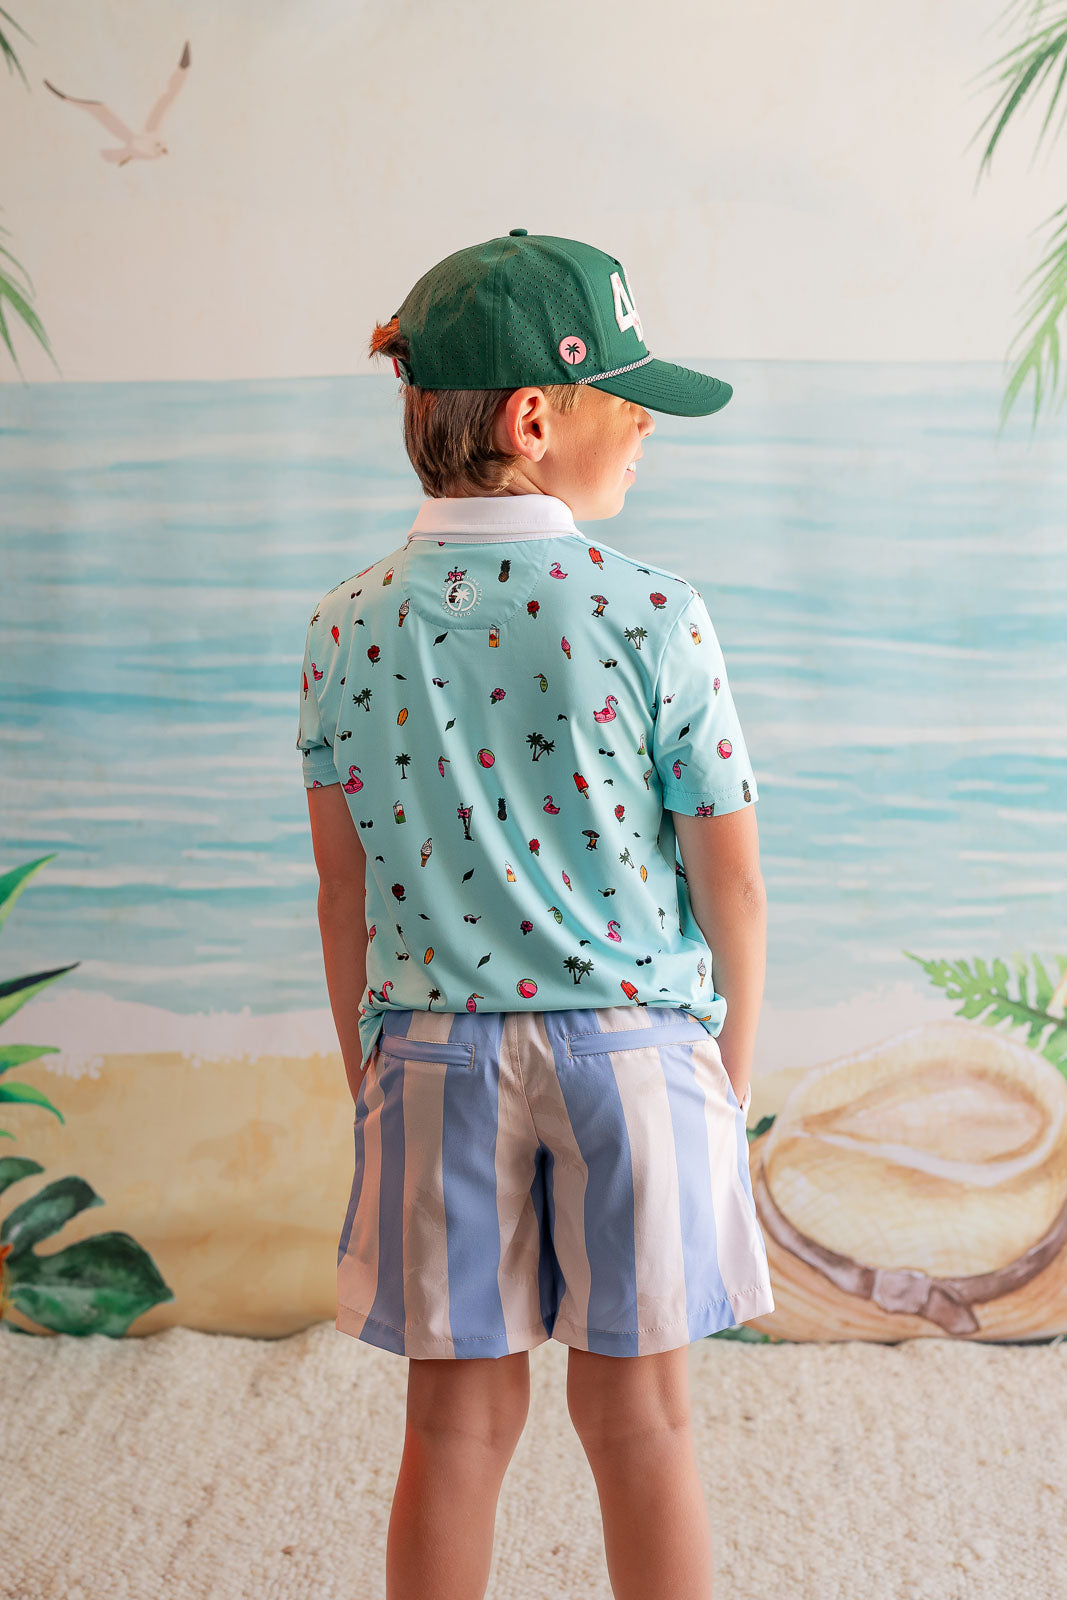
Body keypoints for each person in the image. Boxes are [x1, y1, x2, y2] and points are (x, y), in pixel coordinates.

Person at [297, 229, 773, 1600]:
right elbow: (731, 879)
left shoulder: (343, 626)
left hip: (432, 1055)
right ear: (531, 417)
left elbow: (346, 893)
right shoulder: (656, 613)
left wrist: (372, 1067)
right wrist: (723, 1079)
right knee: (646, 1423)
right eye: (631, 409)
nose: (644, 438)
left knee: (454, 1427)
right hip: (636, 1057)